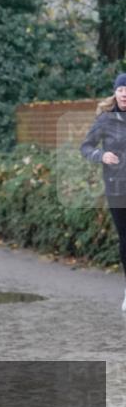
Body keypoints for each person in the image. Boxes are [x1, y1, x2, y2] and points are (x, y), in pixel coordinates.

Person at [80, 72, 126, 311]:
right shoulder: (105, 120)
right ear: (115, 92)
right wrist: (102, 155)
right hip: (117, 188)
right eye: (121, 89)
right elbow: (86, 147)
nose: (125, 93)